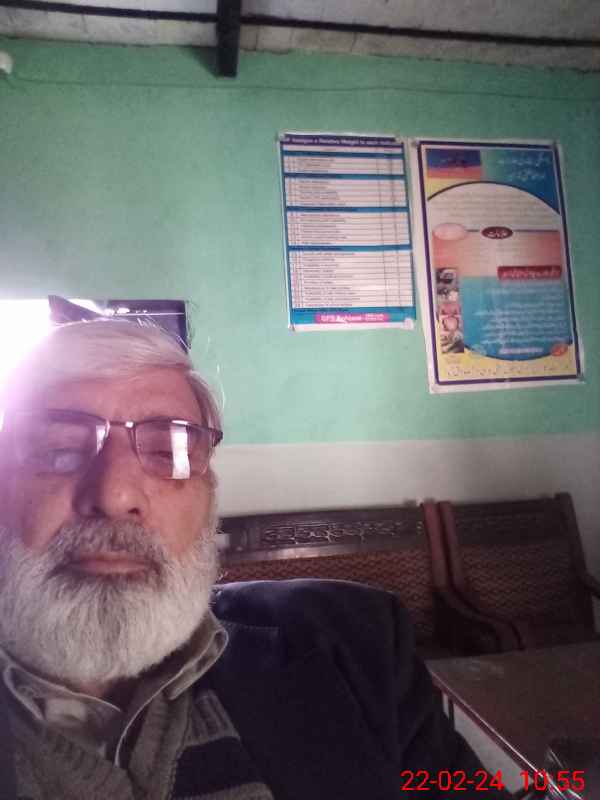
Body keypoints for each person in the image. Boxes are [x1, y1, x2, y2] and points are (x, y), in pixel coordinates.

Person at [0, 319, 508, 800]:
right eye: (56, 449)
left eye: (167, 451)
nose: (115, 495)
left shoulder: (357, 646)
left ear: (209, 495)